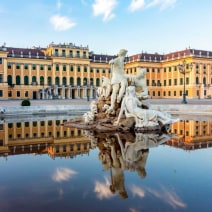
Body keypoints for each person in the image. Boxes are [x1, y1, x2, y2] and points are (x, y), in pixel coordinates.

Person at [114, 86, 179, 127]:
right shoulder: (134, 99)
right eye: (134, 91)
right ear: (133, 91)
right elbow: (140, 104)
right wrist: (141, 97)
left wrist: (118, 120)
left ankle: (165, 120)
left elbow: (121, 111)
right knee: (156, 112)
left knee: (155, 113)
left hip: (138, 112)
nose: (134, 92)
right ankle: (168, 120)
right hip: (139, 112)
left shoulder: (125, 99)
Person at [107, 49, 128, 114]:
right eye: (124, 55)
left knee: (122, 86)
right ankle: (113, 105)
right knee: (118, 88)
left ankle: (119, 97)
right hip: (117, 76)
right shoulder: (119, 59)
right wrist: (111, 62)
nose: (124, 57)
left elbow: (111, 62)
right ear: (122, 55)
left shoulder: (121, 60)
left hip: (119, 76)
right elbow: (110, 62)